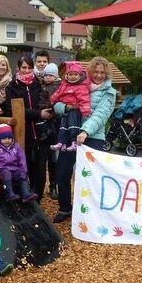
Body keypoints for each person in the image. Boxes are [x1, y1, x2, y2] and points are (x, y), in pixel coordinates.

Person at [53, 57, 116, 223]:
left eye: (102, 72)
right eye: (96, 71)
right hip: (70, 135)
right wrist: (67, 107)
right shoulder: (78, 84)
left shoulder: (109, 92)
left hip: (93, 138)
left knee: (89, 177)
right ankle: (65, 207)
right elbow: (57, 105)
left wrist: (85, 131)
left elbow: (101, 115)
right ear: (90, 72)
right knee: (62, 172)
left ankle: (90, 211)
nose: (99, 75)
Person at [3, 56, 53, 202]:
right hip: (23, 132)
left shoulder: (38, 84)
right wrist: (38, 114)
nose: (27, 70)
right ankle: (25, 192)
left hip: (41, 131)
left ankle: (38, 196)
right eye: (24, 67)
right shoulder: (12, 87)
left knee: (41, 165)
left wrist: (46, 112)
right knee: (26, 164)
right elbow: (12, 109)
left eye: (30, 67)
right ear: (18, 68)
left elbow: (46, 101)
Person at [0, 124, 37, 203]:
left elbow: (21, 158)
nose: (7, 140)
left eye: (9, 138)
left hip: (14, 168)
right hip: (2, 169)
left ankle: (25, 194)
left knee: (22, 173)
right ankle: (9, 193)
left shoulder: (16, 146)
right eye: (4, 139)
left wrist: (24, 169)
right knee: (6, 173)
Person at [50, 61, 91, 152]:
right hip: (66, 108)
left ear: (80, 75)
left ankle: (74, 142)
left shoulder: (81, 86)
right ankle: (62, 142)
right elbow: (58, 93)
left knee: (73, 126)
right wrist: (52, 100)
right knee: (63, 126)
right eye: (70, 74)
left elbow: (84, 99)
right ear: (67, 75)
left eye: (75, 74)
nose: (73, 76)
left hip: (75, 110)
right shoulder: (65, 84)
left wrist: (85, 111)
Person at [38, 63, 61, 199]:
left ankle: (53, 185)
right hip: (44, 122)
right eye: (46, 75)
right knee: (41, 159)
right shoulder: (41, 86)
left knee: (53, 159)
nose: (47, 78)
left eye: (50, 75)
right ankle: (40, 187)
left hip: (55, 124)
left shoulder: (57, 86)